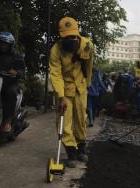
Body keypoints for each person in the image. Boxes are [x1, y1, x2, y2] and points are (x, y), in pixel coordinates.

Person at [49, 17, 93, 168]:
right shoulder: (56, 50)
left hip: (80, 87)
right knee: (64, 121)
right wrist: (60, 96)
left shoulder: (87, 45)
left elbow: (89, 66)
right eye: (67, 37)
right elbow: (55, 74)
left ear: (77, 33)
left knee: (81, 119)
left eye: (73, 36)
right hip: (64, 89)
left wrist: (87, 84)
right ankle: (71, 153)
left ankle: (81, 148)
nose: (71, 39)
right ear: (61, 36)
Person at [0, 32, 25, 133]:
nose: (3, 46)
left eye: (5, 44)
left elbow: (22, 71)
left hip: (9, 83)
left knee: (10, 93)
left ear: (10, 45)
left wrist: (15, 72)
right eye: (1, 43)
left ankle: (7, 121)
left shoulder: (16, 57)